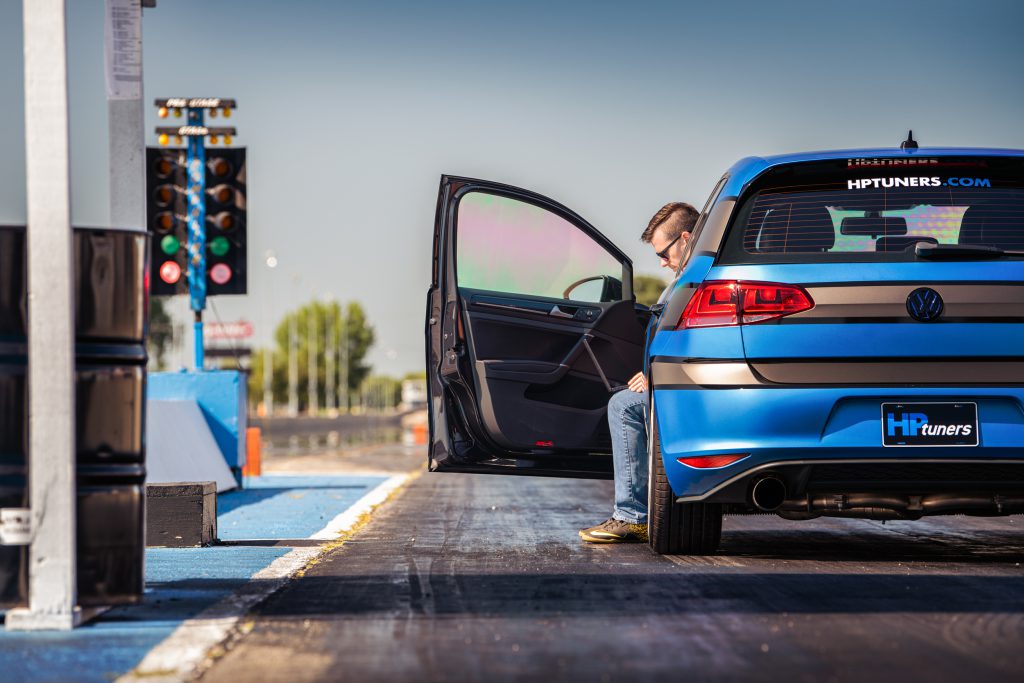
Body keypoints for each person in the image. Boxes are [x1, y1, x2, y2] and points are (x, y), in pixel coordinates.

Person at [579, 201, 700, 543]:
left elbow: (697, 346)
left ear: (686, 239)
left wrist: (657, 378)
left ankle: (632, 516)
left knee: (622, 405)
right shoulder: (693, 280)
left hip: (694, 389)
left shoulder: (697, 282)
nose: (662, 262)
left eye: (664, 252)